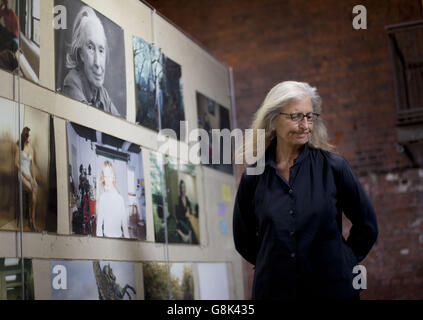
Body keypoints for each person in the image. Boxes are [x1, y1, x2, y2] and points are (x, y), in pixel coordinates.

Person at [233, 81, 378, 300]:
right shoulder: (253, 177)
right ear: (273, 121)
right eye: (295, 117)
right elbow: (243, 239)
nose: (305, 126)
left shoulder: (334, 167)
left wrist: (342, 259)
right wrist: (275, 264)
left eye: (309, 117)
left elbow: (366, 225)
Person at [61, 6, 120, 117]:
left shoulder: (102, 93)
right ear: (81, 54)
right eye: (90, 48)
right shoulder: (72, 82)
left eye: (101, 50)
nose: (98, 63)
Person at [96, 160, 129, 238]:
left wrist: (127, 238)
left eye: (109, 176)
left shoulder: (120, 199)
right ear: (103, 178)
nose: (107, 180)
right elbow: (99, 223)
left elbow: (124, 223)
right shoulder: (102, 198)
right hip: (107, 238)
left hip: (119, 237)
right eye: (105, 176)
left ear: (113, 177)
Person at [15, 127, 38, 232]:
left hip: (29, 175)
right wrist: (25, 175)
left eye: (30, 135)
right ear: (25, 135)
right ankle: (31, 221)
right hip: (21, 174)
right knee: (32, 190)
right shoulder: (19, 147)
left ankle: (31, 220)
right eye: (28, 135)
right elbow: (16, 163)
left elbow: (32, 166)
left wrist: (33, 178)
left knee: (35, 189)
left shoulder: (31, 149)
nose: (29, 137)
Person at [0, 0, 19, 71]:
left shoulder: (11, 12)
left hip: (13, 37)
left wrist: (4, 4)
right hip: (9, 36)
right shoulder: (4, 11)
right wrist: (2, 5)